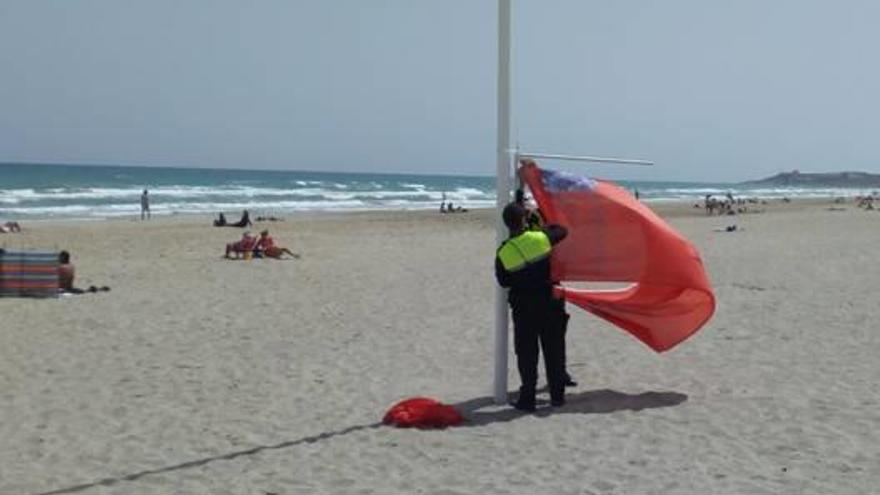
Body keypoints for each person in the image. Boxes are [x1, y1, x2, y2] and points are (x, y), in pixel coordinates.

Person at [495, 200, 569, 412]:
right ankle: (557, 396)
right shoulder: (540, 238)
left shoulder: (503, 252)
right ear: (525, 220)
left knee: (527, 354)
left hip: (523, 308)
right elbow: (562, 230)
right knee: (554, 350)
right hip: (550, 304)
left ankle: (527, 398)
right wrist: (536, 217)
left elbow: (503, 281)